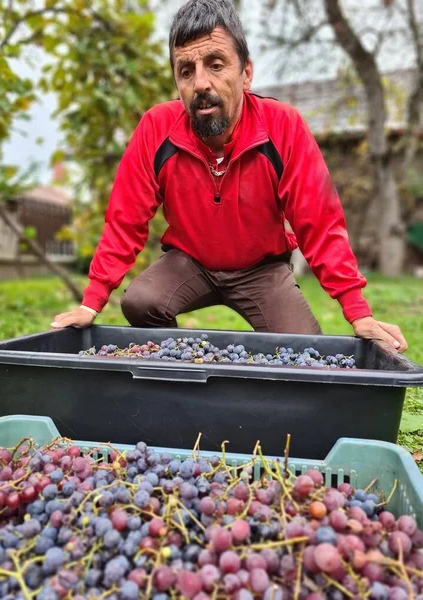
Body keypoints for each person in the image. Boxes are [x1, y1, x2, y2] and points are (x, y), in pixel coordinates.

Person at [51, 0, 408, 352]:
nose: (200, 83)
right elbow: (124, 219)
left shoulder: (283, 127)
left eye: (216, 64)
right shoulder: (156, 128)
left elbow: (320, 222)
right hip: (189, 263)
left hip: (261, 270)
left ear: (246, 73)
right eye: (186, 71)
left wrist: (358, 312)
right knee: (141, 301)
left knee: (304, 355)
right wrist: (91, 302)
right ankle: (179, 365)